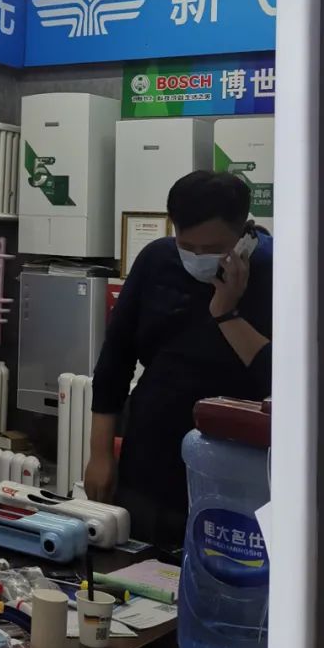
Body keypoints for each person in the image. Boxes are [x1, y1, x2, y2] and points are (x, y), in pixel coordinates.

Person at [84, 170, 272, 549]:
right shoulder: (158, 259)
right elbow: (116, 359)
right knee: (139, 567)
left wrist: (226, 312)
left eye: (212, 248)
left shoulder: (278, 270)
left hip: (236, 469)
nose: (198, 258)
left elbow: (278, 377)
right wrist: (100, 454)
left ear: (243, 234)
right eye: (188, 246)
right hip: (151, 454)